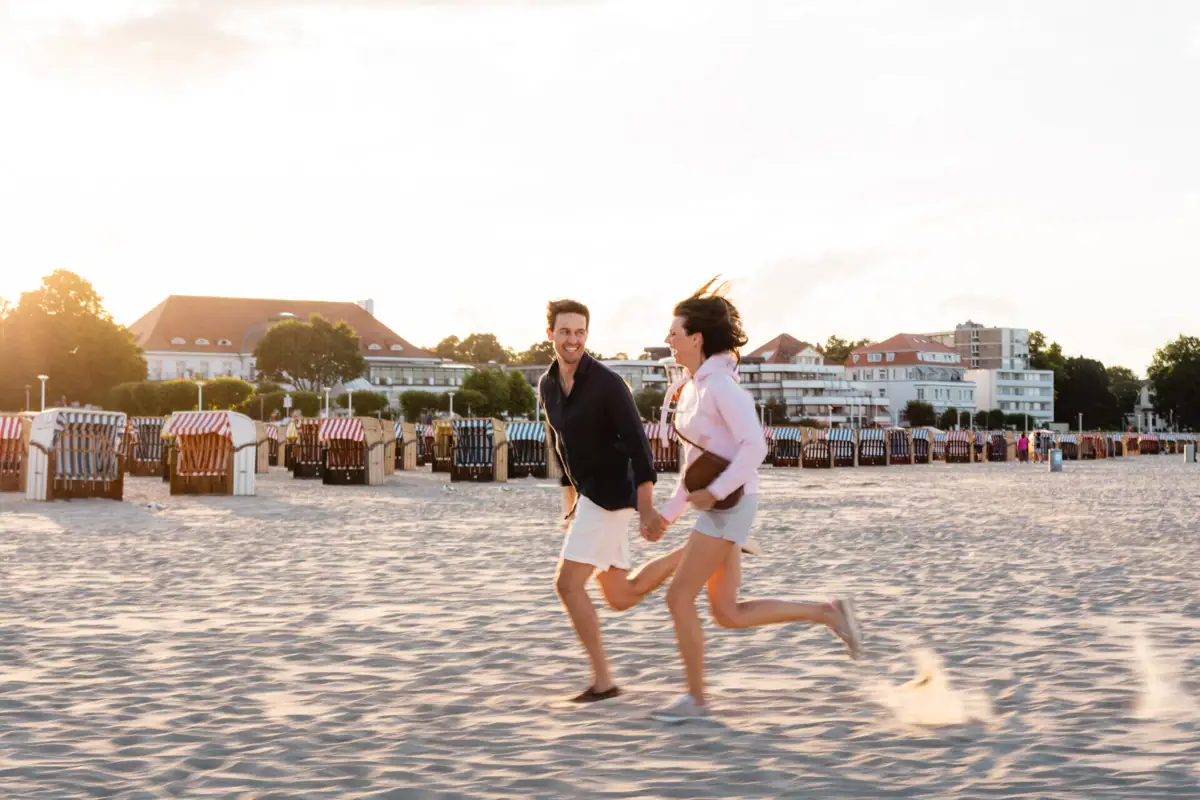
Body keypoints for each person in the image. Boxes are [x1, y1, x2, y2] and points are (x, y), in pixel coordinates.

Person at [649, 279, 863, 723]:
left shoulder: (722, 387)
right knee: (727, 612)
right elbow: (696, 465)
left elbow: (755, 447)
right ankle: (827, 612)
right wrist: (668, 514)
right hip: (721, 505)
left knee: (678, 598)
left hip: (730, 506)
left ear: (696, 338)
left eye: (674, 332)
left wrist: (717, 492)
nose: (668, 339)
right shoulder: (692, 388)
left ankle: (695, 699)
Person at [539, 299, 684, 703]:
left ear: (587, 334)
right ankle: (697, 553)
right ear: (550, 333)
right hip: (589, 496)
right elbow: (559, 443)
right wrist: (569, 500)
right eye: (565, 331)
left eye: (580, 332)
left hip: (611, 495)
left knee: (567, 586)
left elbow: (639, 445)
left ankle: (603, 681)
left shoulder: (606, 383)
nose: (573, 339)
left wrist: (647, 505)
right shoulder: (548, 383)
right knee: (619, 595)